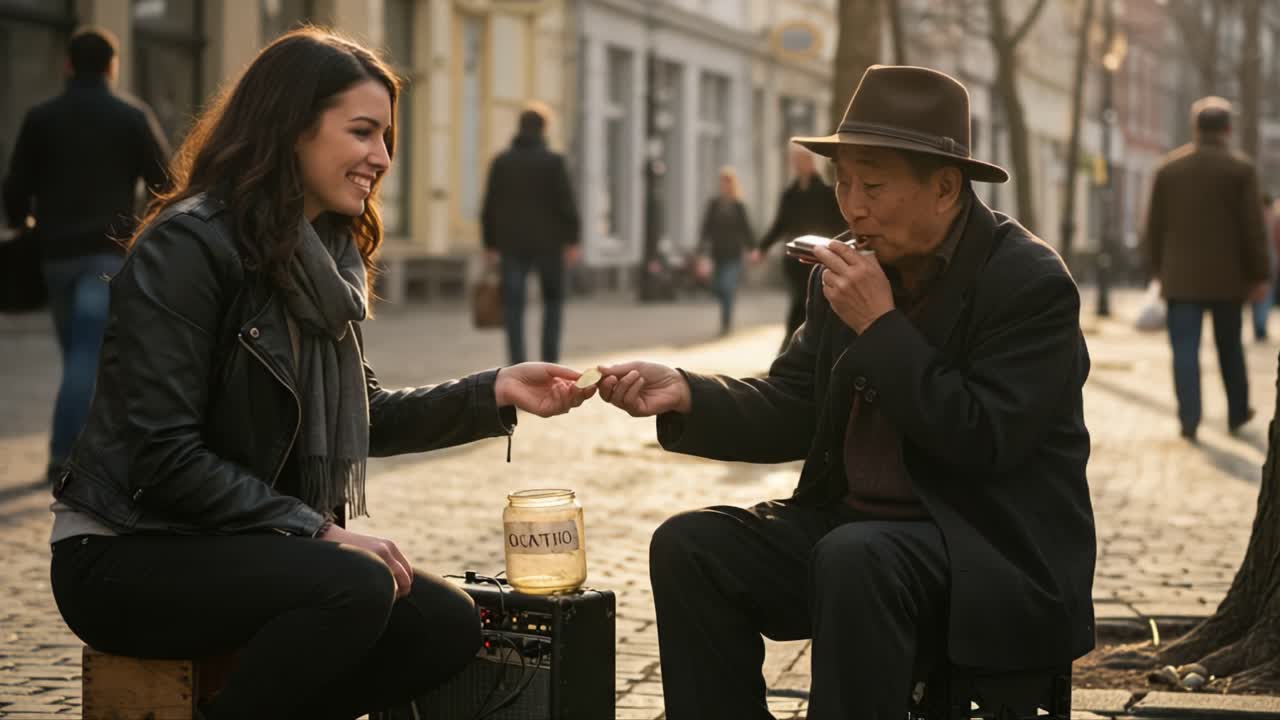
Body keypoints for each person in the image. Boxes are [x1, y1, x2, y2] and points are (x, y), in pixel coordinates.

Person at [47, 29, 594, 720]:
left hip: (234, 541)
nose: (382, 157)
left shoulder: (320, 256)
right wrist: (312, 530)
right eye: (362, 132)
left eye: (387, 137)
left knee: (446, 623)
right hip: (128, 551)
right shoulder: (188, 245)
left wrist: (492, 391)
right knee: (355, 584)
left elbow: (365, 414)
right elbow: (161, 454)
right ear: (290, 128)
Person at [595, 65, 1095, 719]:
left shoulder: (1027, 282)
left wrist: (881, 327)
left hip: (986, 548)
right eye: (844, 181)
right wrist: (688, 392)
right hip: (856, 541)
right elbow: (796, 405)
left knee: (855, 556)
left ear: (945, 188)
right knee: (691, 546)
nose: (852, 205)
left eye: (874, 185)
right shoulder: (848, 268)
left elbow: (984, 441)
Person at [2, 26, 170, 483]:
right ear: (113, 66)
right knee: (86, 356)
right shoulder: (131, 116)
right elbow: (165, 185)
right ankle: (66, 457)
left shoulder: (42, 117)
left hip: (55, 257)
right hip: (108, 258)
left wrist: (24, 223)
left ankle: (75, 453)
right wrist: (146, 230)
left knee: (79, 353)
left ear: (68, 65)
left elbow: (15, 187)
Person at [1141, 96, 1269, 441]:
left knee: (1184, 350)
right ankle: (1238, 412)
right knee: (1230, 348)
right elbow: (1252, 229)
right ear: (1227, 129)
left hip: (1180, 279)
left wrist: (1155, 268)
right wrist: (1259, 275)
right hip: (1228, 279)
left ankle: (1189, 418)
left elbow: (1153, 225)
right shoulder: (1241, 170)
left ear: (1195, 128)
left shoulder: (1169, 169)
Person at [481, 102, 581, 364]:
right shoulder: (554, 162)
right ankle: (549, 361)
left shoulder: (502, 162)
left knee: (514, 308)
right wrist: (572, 240)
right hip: (550, 243)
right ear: (544, 128)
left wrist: (490, 244)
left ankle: (518, 364)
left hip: (511, 244)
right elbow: (566, 203)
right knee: (553, 302)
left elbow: (489, 205)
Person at [757, 146, 846, 352]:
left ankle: (793, 345)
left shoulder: (826, 192)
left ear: (811, 162)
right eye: (794, 161)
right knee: (802, 298)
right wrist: (762, 248)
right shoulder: (790, 194)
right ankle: (795, 345)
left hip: (819, 256)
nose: (797, 164)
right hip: (795, 258)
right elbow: (780, 224)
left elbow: (838, 224)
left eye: (801, 160)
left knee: (805, 300)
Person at [697, 166, 756, 336]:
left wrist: (753, 249)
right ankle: (726, 312)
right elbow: (705, 229)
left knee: (727, 286)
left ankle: (726, 322)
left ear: (732, 185)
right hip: (717, 253)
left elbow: (747, 229)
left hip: (733, 253)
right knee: (716, 287)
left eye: (727, 183)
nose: (724, 186)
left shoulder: (739, 206)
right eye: (722, 183)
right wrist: (701, 251)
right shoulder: (714, 205)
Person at [1253, 193, 1276, 341]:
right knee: (1266, 294)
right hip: (1270, 258)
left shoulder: (1255, 216)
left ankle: (1259, 326)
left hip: (1258, 258)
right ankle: (1261, 326)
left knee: (1258, 294)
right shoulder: (1272, 217)